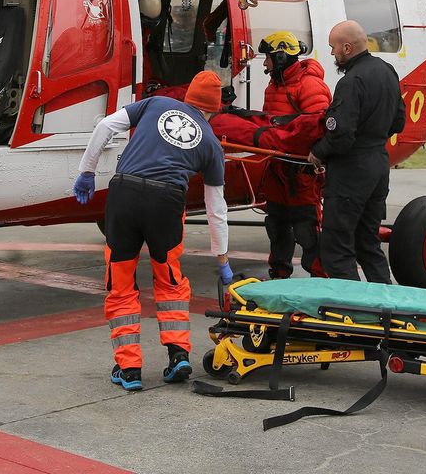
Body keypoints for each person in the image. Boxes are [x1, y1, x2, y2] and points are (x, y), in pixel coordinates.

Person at [73, 71, 233, 392]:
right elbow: (216, 207)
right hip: (167, 201)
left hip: (125, 193)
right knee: (170, 279)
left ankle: (129, 368)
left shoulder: (156, 103)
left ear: (187, 97)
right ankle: (178, 355)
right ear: (214, 109)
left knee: (120, 283)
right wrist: (222, 259)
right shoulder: (211, 143)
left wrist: (86, 172)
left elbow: (105, 126)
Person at [308, 20, 405, 283]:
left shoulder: (351, 82)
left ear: (347, 47)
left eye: (333, 48)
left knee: (336, 247)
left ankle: (352, 310)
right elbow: (399, 122)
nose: (332, 54)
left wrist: (318, 152)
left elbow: (341, 134)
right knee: (368, 242)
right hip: (378, 166)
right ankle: (386, 305)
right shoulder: (387, 72)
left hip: (352, 171)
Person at [257, 31, 330, 279]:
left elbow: (320, 125)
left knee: (306, 227)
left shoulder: (309, 85)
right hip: (277, 166)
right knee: (276, 224)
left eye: (267, 58)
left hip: (302, 171)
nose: (265, 63)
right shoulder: (274, 84)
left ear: (279, 57)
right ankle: (279, 272)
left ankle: (320, 276)